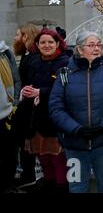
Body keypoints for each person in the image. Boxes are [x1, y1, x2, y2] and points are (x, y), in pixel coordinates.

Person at [49, 31, 103, 193]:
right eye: (91, 45)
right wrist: (76, 129)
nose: (96, 48)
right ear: (80, 49)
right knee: (77, 186)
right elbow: (56, 107)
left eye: (98, 44)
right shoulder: (65, 73)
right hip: (74, 143)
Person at [20, 29, 70, 192]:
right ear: (37, 45)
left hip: (56, 118)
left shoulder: (65, 61)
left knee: (57, 158)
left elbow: (65, 88)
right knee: (43, 157)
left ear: (57, 44)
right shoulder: (34, 63)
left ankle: (62, 187)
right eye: (42, 42)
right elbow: (29, 83)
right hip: (37, 118)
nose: (46, 45)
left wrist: (40, 92)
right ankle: (49, 185)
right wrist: (26, 91)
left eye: (50, 42)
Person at [12, 24, 40, 189]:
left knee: (28, 145)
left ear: (26, 37)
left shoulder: (33, 58)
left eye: (18, 35)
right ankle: (27, 174)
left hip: (30, 110)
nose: (15, 39)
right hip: (25, 108)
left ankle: (29, 176)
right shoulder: (26, 56)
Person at [0, 40, 21, 193]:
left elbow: (15, 79)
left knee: (9, 154)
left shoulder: (5, 52)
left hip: (7, 112)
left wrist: (15, 103)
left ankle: (8, 185)